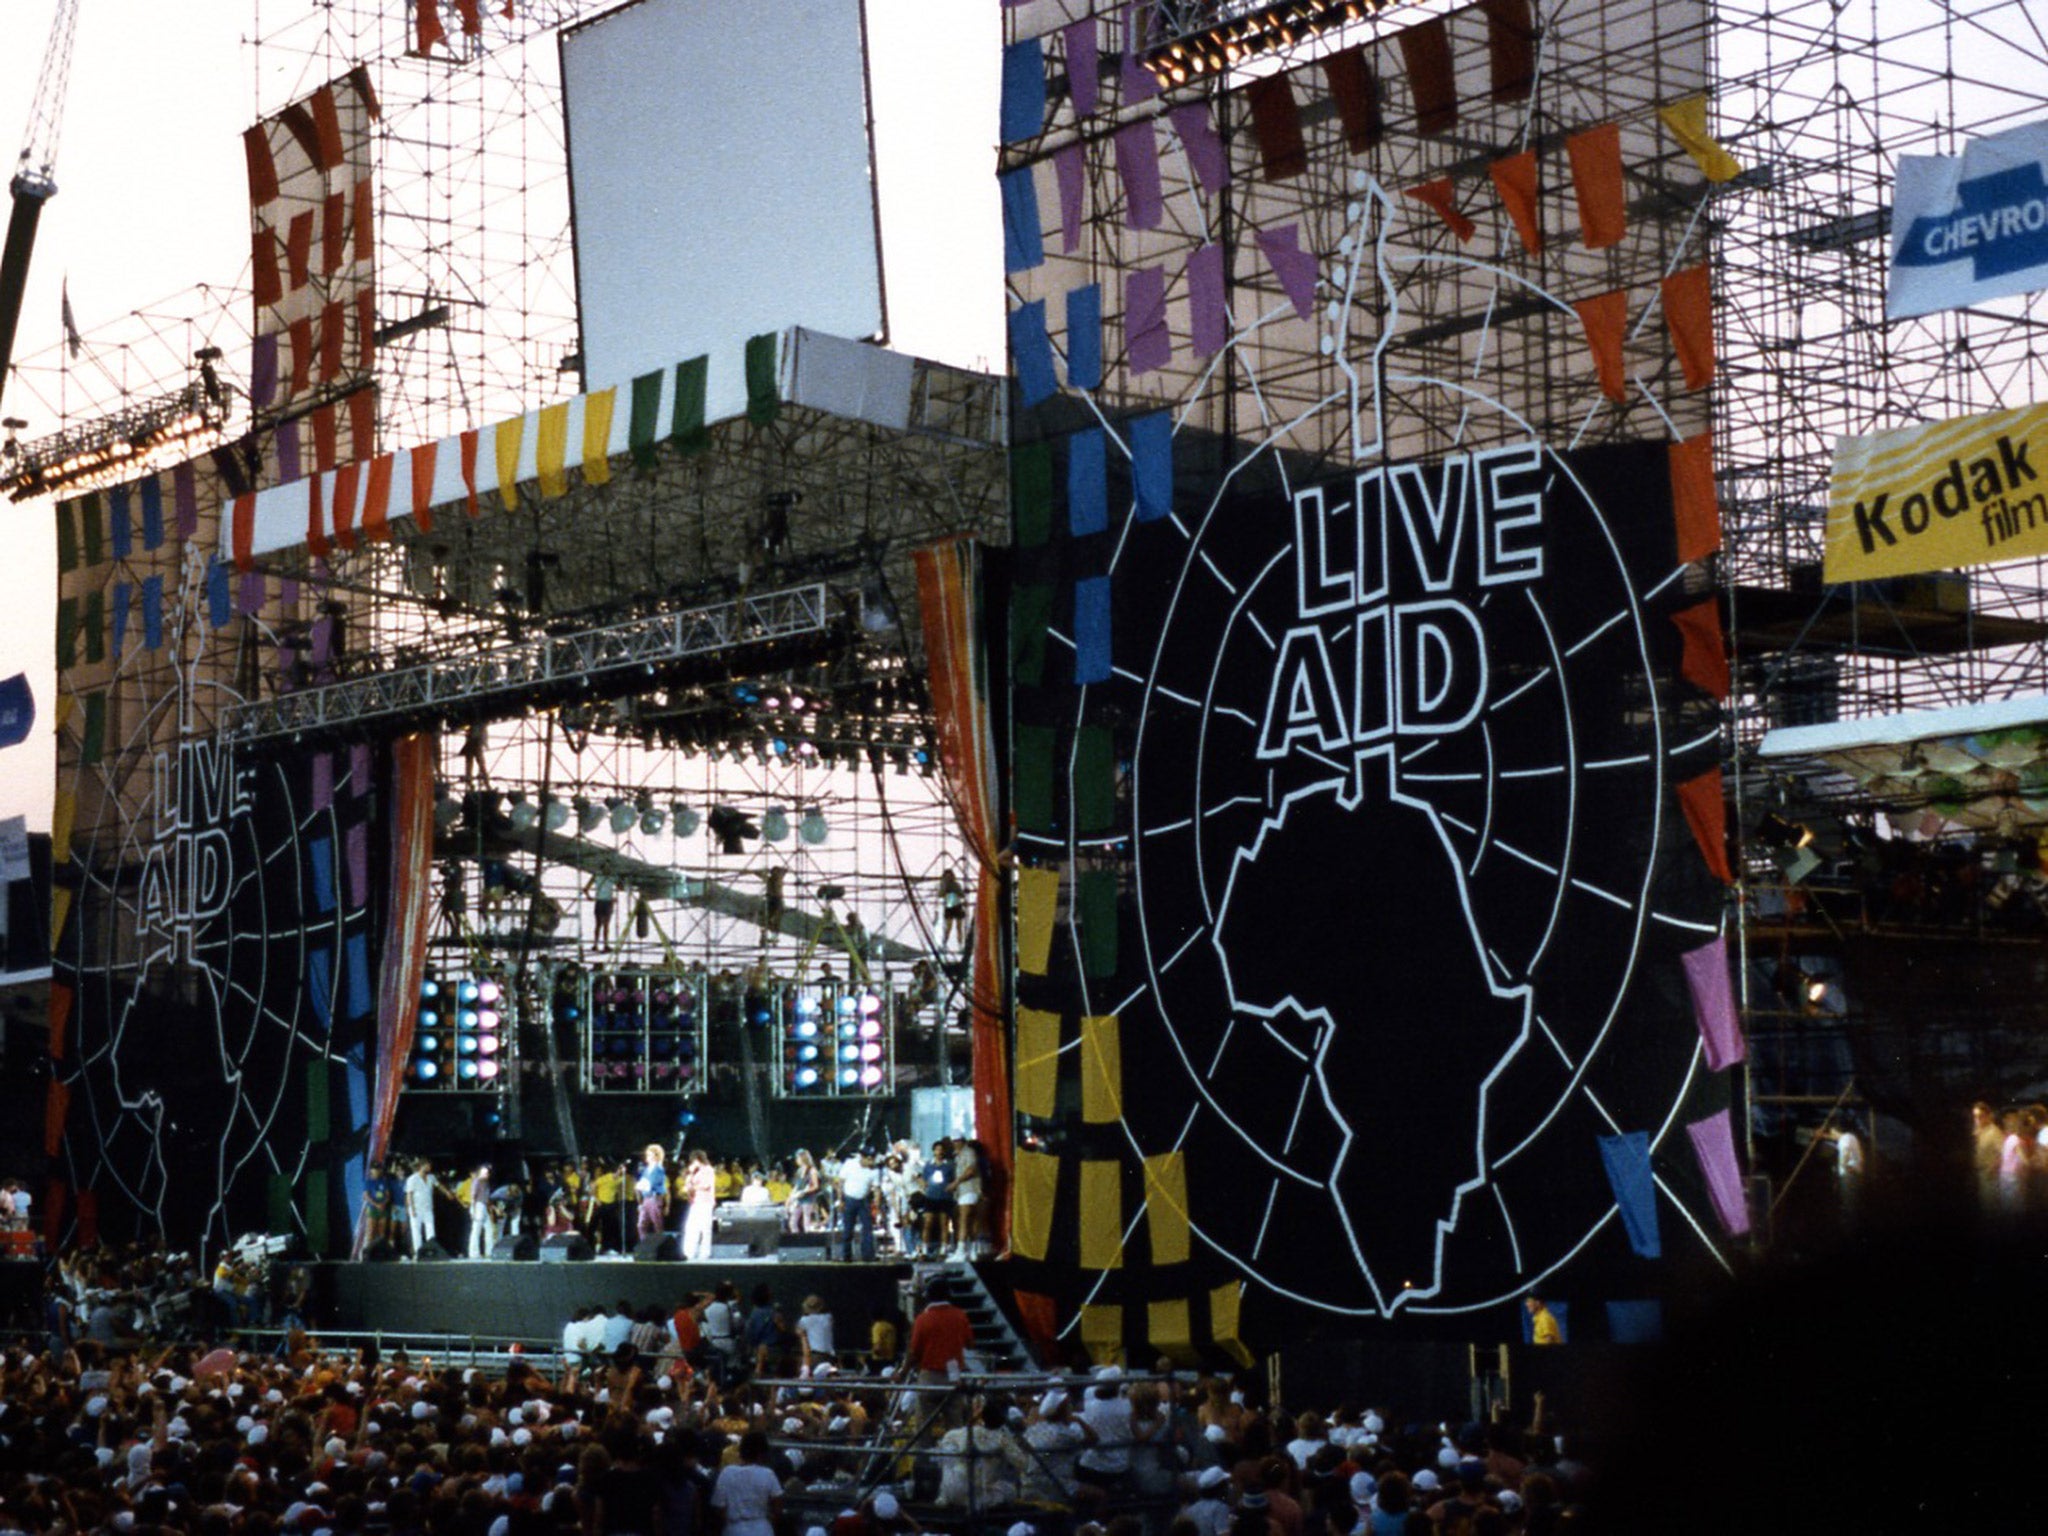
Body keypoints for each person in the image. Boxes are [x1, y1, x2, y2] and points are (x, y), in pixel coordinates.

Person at [903, 1277, 974, 1426]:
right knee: (955, 1425)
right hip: (954, 1376)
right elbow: (970, 1344)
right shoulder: (960, 1316)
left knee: (923, 1426)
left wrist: (902, 1373)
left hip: (930, 1377)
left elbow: (914, 1352)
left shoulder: (922, 1319)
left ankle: (924, 1448)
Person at [711, 1428, 784, 1536]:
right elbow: (778, 1507)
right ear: (762, 1453)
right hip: (761, 1528)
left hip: (734, 1529)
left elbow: (719, 1506)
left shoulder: (727, 1473)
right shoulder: (768, 1474)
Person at [838, 1152, 878, 1262]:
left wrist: (876, 1204)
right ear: (863, 1157)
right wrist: (840, 1200)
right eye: (869, 1159)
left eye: (872, 1159)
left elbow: (876, 1188)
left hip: (864, 1201)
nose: (871, 1161)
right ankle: (846, 1255)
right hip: (849, 1199)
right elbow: (841, 1182)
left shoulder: (874, 1171)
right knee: (848, 1229)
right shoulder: (850, 1164)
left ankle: (868, 1255)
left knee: (867, 1228)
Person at [682, 1148, 718, 1260]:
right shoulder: (695, 1171)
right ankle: (689, 1251)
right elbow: (688, 1183)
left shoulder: (708, 1170)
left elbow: (706, 1185)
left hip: (705, 1202)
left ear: (698, 1159)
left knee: (705, 1228)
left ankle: (705, 1253)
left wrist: (692, 1187)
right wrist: (690, 1174)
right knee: (692, 1227)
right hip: (696, 1202)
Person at [402, 1158, 438, 1258]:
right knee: (416, 1231)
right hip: (416, 1209)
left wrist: (447, 1193)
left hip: (428, 1208)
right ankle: (419, 1252)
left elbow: (438, 1186)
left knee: (430, 1229)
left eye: (430, 1166)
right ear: (421, 1166)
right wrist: (411, 1209)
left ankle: (431, 1250)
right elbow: (409, 1194)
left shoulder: (431, 1178)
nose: (429, 1168)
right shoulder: (412, 1179)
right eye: (427, 1165)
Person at [795, 1293, 835, 1376]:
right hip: (830, 1356)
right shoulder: (828, 1317)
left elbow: (798, 1331)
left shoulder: (804, 1320)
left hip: (814, 1356)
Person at [637, 1144, 670, 1243]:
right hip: (646, 1199)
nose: (647, 1157)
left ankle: (660, 1246)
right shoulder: (646, 1169)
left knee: (657, 1224)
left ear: (656, 1156)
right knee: (641, 1224)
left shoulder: (659, 1169)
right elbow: (641, 1183)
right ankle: (644, 1244)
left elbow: (652, 1184)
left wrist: (643, 1185)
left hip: (654, 1198)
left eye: (649, 1155)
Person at [465, 1163, 497, 1259]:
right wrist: (472, 1209)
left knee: (489, 1229)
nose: (488, 1174)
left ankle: (489, 1251)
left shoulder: (486, 1183)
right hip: (478, 1206)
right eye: (486, 1172)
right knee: (476, 1229)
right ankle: (473, 1253)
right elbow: (473, 1196)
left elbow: (487, 1198)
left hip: (483, 1206)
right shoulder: (477, 1181)